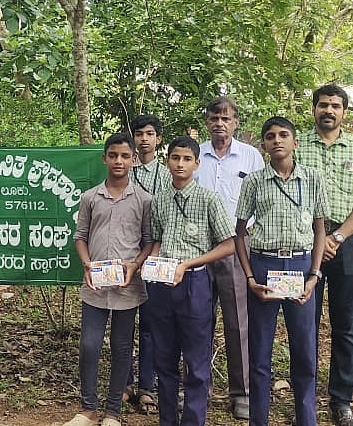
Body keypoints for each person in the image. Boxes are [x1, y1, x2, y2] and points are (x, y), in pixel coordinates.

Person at [235, 117, 327, 426]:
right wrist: (250, 278)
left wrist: (314, 275)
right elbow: (239, 233)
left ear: (295, 142)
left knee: (304, 349)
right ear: (263, 145)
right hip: (264, 267)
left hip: (300, 267)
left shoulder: (313, 179)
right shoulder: (254, 182)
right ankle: (258, 420)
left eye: (284, 135)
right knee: (260, 352)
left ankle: (307, 418)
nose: (277, 140)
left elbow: (319, 230)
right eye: (270, 136)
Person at [294, 84, 353, 426]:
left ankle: (341, 400)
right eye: (323, 104)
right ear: (313, 109)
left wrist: (337, 236)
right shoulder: (297, 145)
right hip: (304, 239)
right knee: (304, 323)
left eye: (336, 105)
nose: (329, 110)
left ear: (345, 112)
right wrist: (318, 237)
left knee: (347, 324)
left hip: (347, 241)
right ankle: (305, 400)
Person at [63, 133, 154, 426]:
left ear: (133, 160)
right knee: (89, 344)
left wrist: (135, 266)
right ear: (104, 158)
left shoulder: (144, 200)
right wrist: (88, 266)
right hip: (95, 286)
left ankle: (113, 411)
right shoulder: (90, 197)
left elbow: (149, 241)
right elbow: (80, 237)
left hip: (127, 287)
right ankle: (88, 408)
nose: (119, 161)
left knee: (121, 346)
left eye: (125, 156)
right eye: (113, 155)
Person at [146, 136, 236, 426]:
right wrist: (153, 263)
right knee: (165, 358)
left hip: (194, 284)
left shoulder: (209, 199)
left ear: (197, 164)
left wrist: (188, 264)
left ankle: (193, 420)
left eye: (187, 159)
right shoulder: (158, 199)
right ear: (167, 161)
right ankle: (167, 420)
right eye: (175, 158)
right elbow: (157, 239)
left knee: (196, 362)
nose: (180, 164)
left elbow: (228, 244)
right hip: (162, 284)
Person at [193, 96, 263, 420]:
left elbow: (263, 201)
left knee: (238, 322)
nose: (220, 122)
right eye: (214, 117)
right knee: (198, 320)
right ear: (207, 121)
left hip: (237, 247)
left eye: (226, 117)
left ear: (236, 122)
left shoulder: (250, 157)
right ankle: (198, 386)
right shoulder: (197, 156)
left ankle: (242, 393)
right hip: (200, 250)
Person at [125, 113, 169, 414]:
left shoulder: (167, 174)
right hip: (126, 250)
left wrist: (157, 251)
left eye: (149, 133)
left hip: (156, 253)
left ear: (158, 139)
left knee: (152, 322)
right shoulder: (124, 167)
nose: (144, 139)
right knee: (125, 318)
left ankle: (147, 386)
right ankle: (124, 382)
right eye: (139, 133)